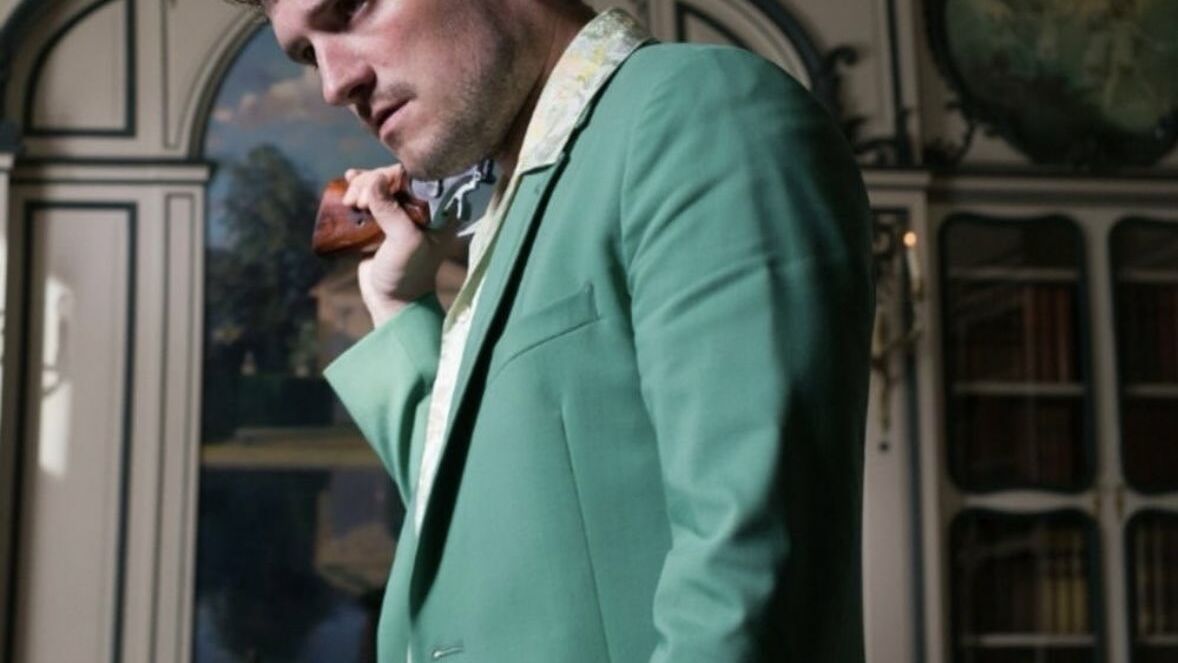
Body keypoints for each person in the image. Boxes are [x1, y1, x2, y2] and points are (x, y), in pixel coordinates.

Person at [254, 0, 875, 660]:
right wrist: (397, 301)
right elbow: (488, 528)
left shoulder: (701, 113)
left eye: (351, 6)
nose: (333, 84)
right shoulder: (519, 202)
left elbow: (744, 585)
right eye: (307, 54)